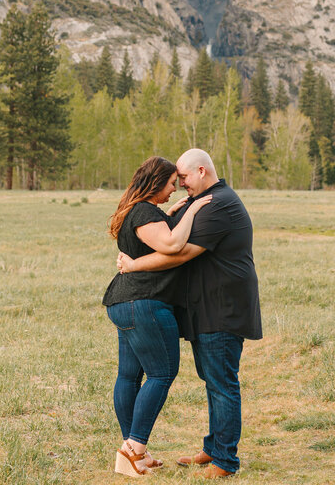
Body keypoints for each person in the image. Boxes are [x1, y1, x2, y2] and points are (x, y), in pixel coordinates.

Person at [118, 148, 261, 479]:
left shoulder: (218, 203)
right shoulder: (208, 201)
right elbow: (169, 233)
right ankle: (213, 447)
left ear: (201, 171)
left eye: (182, 177)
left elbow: (179, 253)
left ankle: (225, 460)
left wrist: (134, 265)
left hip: (222, 306)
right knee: (212, 380)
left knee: (222, 382)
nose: (180, 184)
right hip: (206, 307)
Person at [104, 156, 213, 477]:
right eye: (170, 183)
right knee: (162, 374)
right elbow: (171, 245)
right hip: (145, 303)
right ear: (156, 183)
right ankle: (133, 449)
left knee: (129, 376)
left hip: (124, 301)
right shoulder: (143, 212)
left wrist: (169, 214)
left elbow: (146, 242)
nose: (174, 188)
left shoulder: (137, 211)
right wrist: (192, 209)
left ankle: (136, 452)